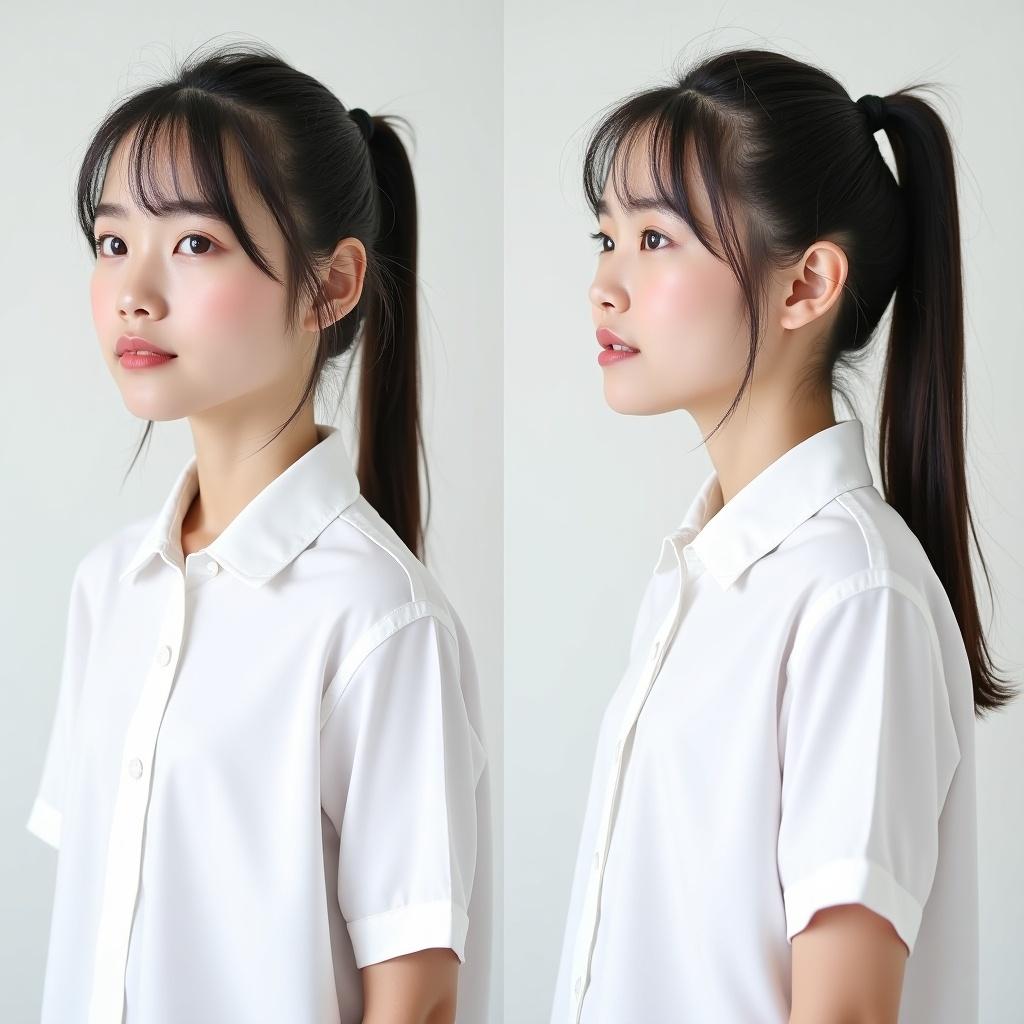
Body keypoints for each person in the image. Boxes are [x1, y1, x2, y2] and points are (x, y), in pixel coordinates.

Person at [25, 40, 491, 1024]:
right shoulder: (110, 587)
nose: (134, 290)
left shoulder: (381, 621)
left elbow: (417, 1002)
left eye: (195, 243)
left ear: (332, 284)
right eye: (112, 242)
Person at [550, 46, 1015, 1024]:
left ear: (805, 285)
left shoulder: (853, 596)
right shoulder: (704, 577)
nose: (605, 283)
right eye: (605, 237)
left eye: (657, 239)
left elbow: (842, 1010)